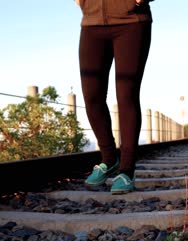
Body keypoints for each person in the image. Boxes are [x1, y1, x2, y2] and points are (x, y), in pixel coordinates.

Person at [75, 0, 153, 194]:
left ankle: (127, 170)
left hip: (131, 21)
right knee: (92, 96)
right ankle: (109, 159)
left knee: (126, 95)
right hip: (91, 22)